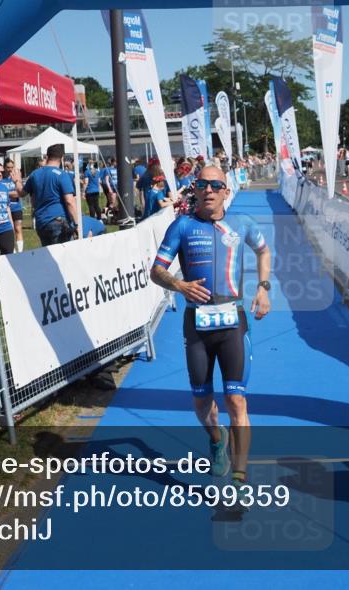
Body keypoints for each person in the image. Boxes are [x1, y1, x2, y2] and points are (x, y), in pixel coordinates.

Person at [149, 165, 272, 490]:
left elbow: (263, 250)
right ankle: (217, 441)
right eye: (202, 184)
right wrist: (180, 285)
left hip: (233, 322)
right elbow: (156, 271)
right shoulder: (182, 226)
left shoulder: (241, 223)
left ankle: (240, 479)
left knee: (237, 402)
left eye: (215, 185)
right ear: (195, 188)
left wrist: (263, 288)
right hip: (197, 325)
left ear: (225, 191)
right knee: (202, 403)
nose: (208, 190)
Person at [11, 143, 79, 245]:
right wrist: (77, 224)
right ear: (61, 158)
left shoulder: (35, 174)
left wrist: (17, 181)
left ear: (47, 156)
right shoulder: (62, 175)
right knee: (63, 257)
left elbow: (21, 193)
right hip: (59, 221)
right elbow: (70, 201)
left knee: (49, 256)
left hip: (41, 223)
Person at [1, 159, 24, 253]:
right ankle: (12, 250)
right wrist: (12, 193)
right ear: (4, 167)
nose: (10, 169)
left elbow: (19, 193)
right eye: (8, 167)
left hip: (16, 207)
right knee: (10, 230)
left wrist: (6, 193)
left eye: (12, 167)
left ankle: (20, 251)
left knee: (18, 228)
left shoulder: (16, 178)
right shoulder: (1, 178)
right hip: (6, 209)